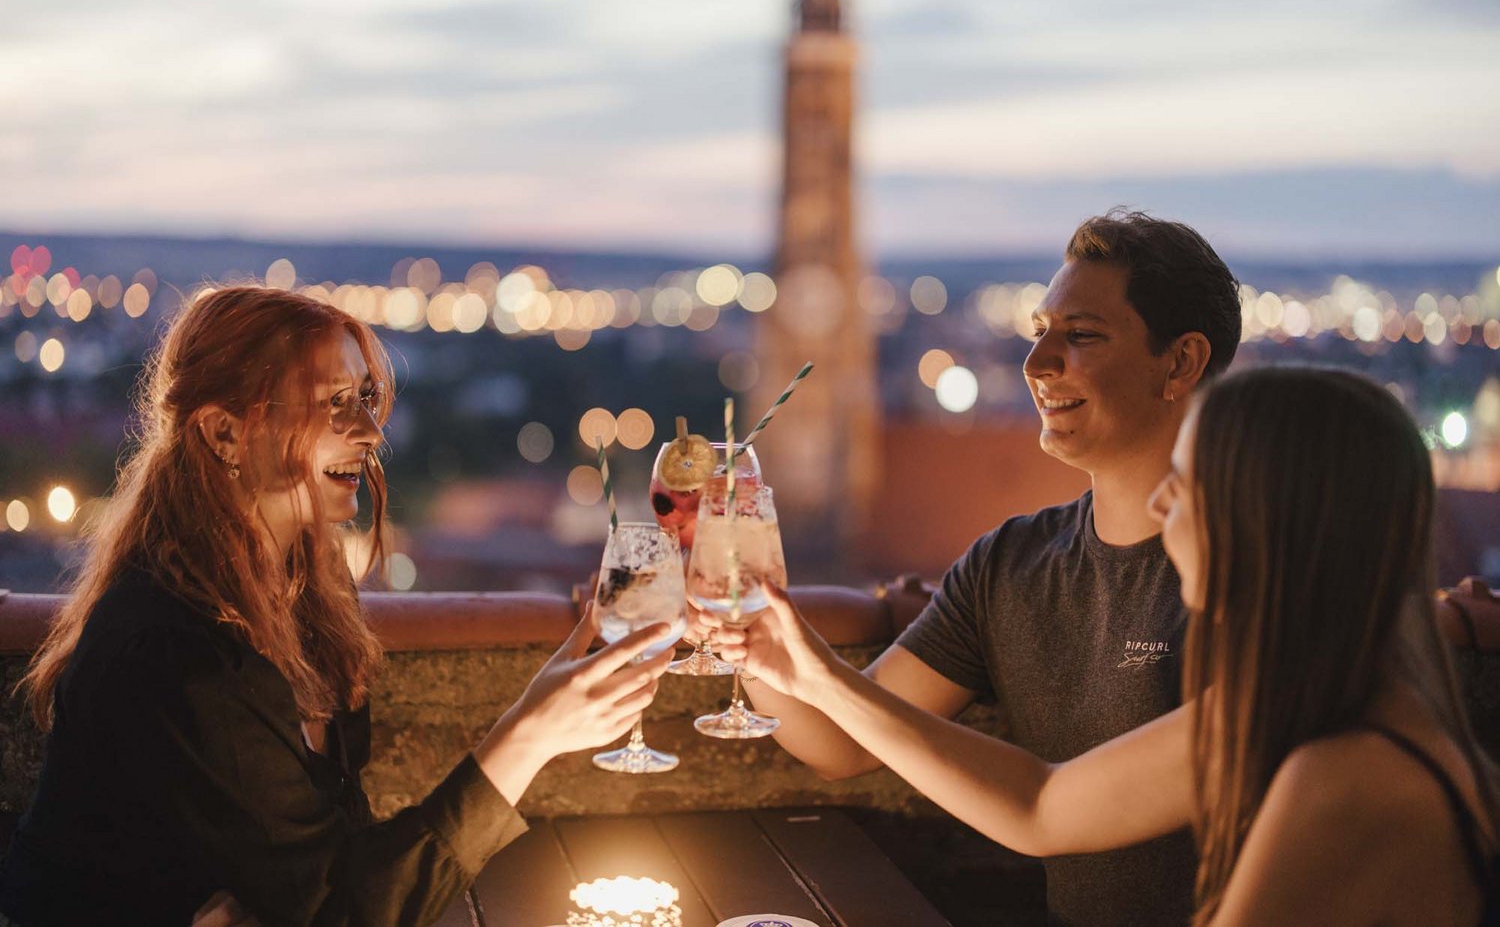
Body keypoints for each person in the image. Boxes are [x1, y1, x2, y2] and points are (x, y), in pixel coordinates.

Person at [720, 365, 1499, 925]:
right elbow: (1043, 804)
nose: (1162, 499)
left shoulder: (1346, 776)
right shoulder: (1296, 707)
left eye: (1189, 480)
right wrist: (816, 676)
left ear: (1268, 520)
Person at [0, 285, 672, 927]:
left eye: (366, 398)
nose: (370, 430)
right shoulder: (177, 647)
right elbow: (339, 910)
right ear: (223, 434)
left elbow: (332, 864)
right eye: (333, 403)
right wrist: (530, 734)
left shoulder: (307, 584)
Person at [728, 209, 1243, 926]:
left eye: (1082, 336)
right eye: (1040, 333)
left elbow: (1044, 807)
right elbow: (841, 740)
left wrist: (814, 669)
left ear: (1181, 362)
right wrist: (749, 640)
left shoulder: (1259, 573)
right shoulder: (1012, 564)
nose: (1037, 365)